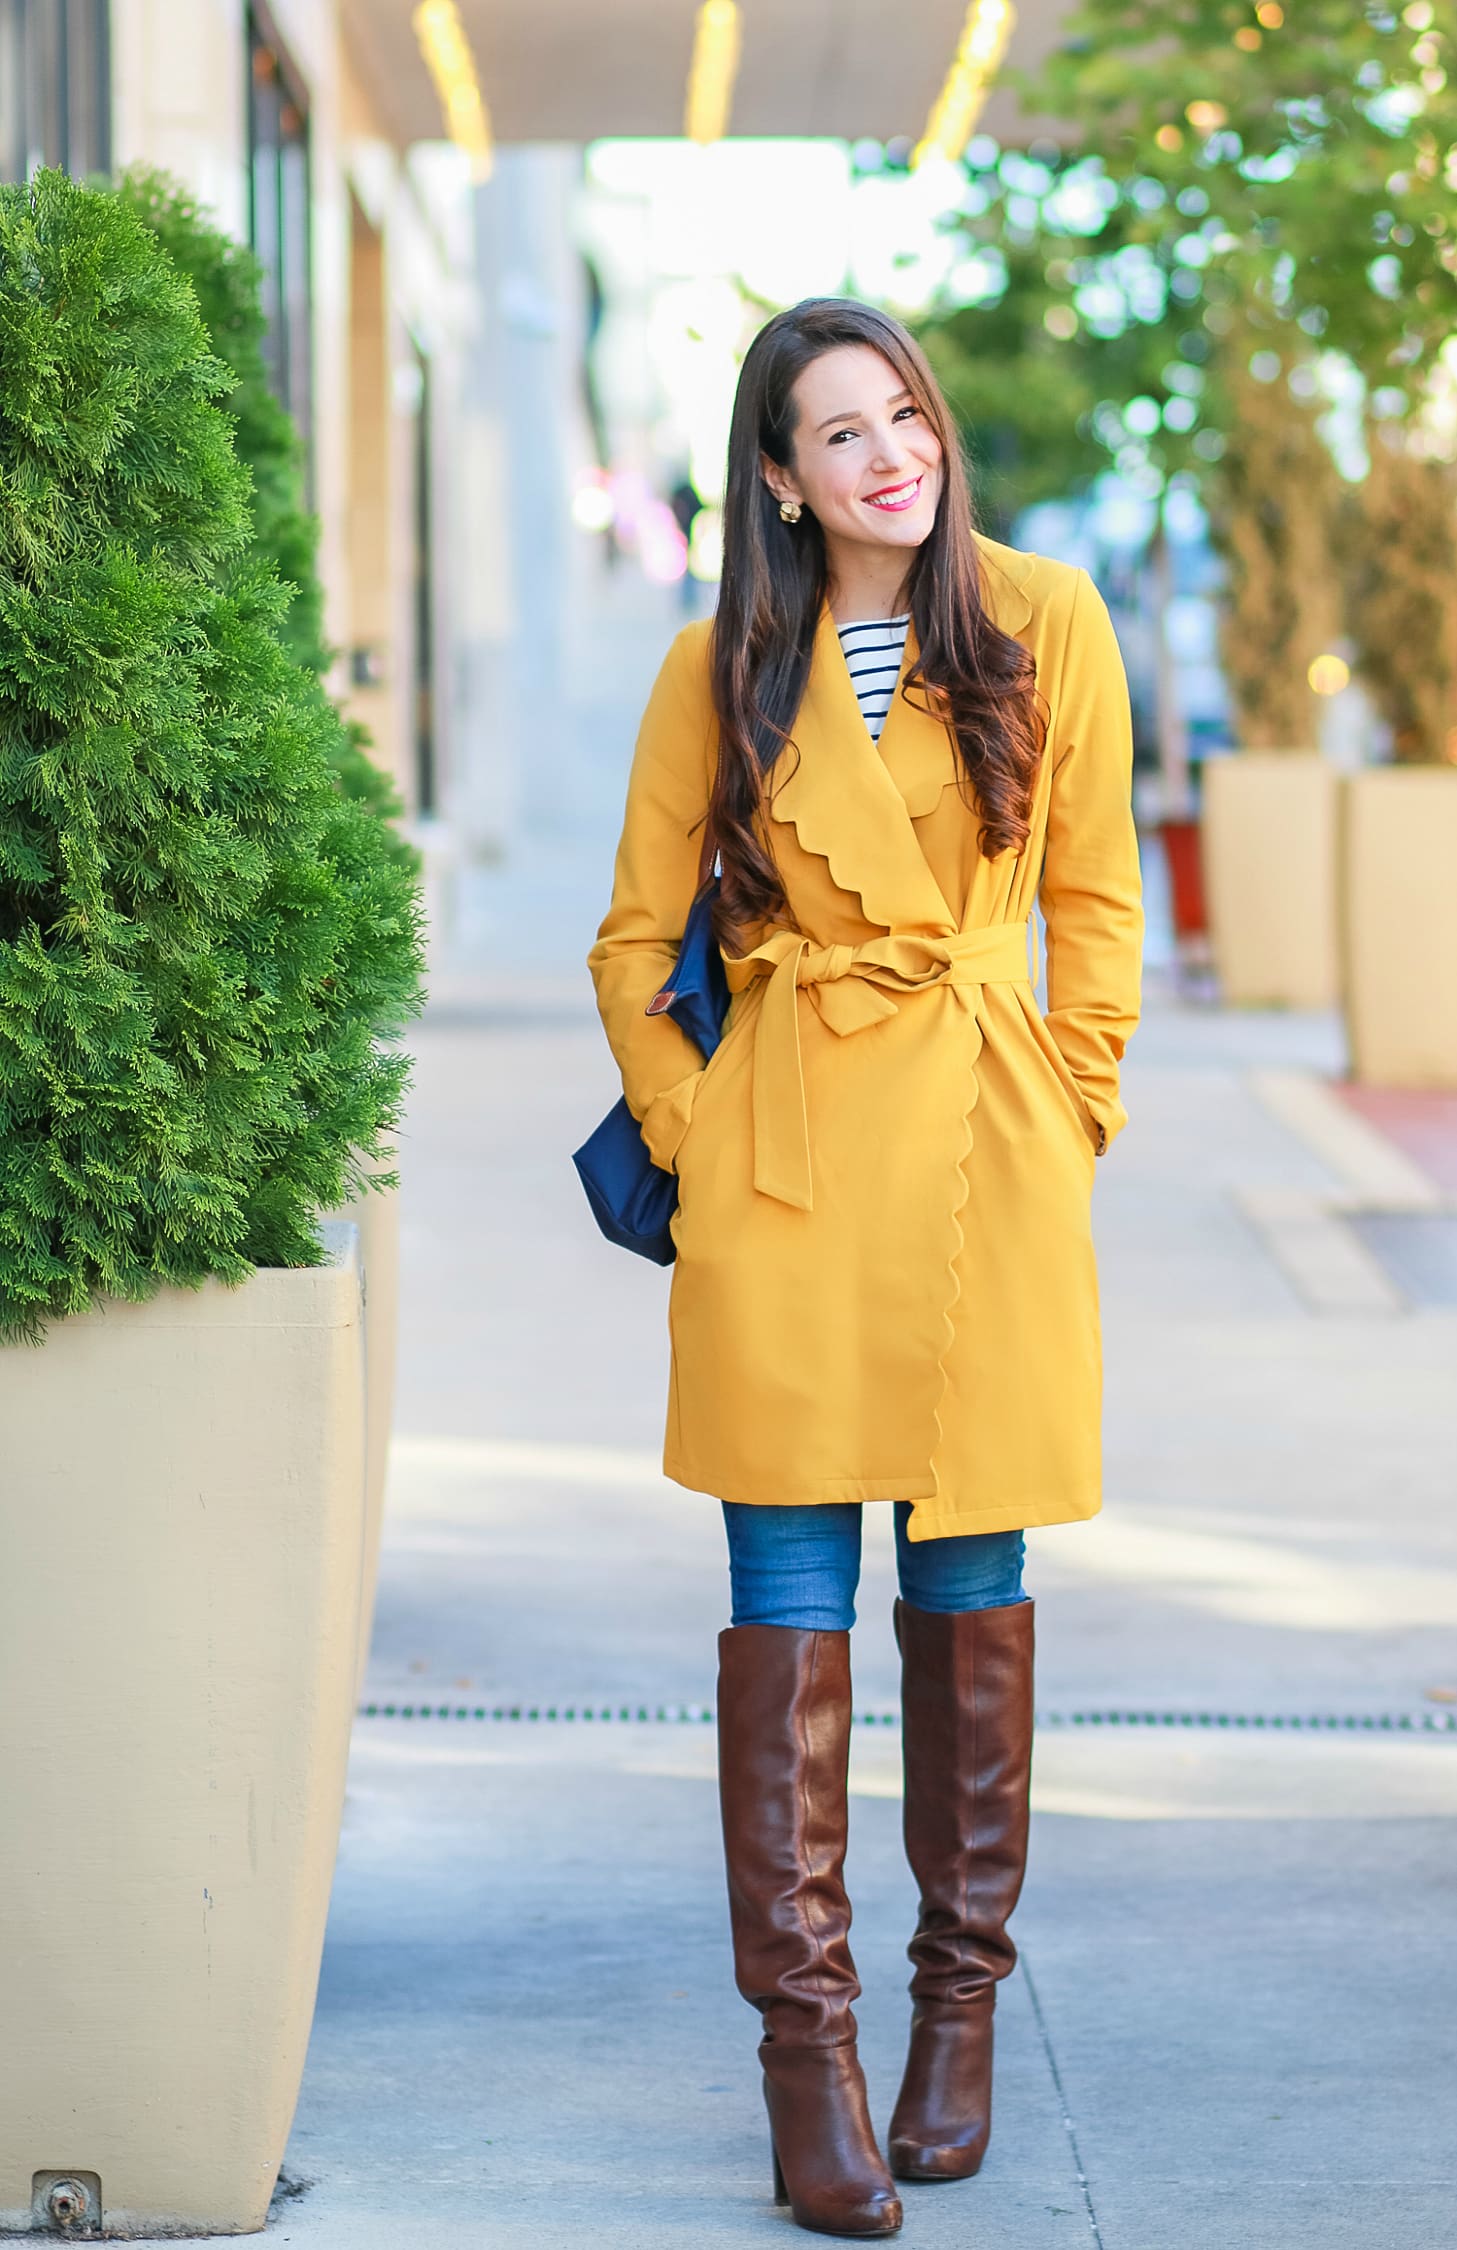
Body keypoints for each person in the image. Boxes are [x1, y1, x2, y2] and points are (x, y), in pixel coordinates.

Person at [587, 298, 1143, 2238]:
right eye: (839, 432)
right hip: (798, 1165)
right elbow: (630, 941)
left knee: (971, 1572)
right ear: (777, 476)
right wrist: (702, 1143)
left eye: (904, 413)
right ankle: (803, 2057)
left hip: (993, 1139)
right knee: (788, 1590)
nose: (888, 452)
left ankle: (955, 2022)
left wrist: (1075, 1108)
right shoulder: (721, 662)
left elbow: (1095, 897)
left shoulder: (1047, 620)